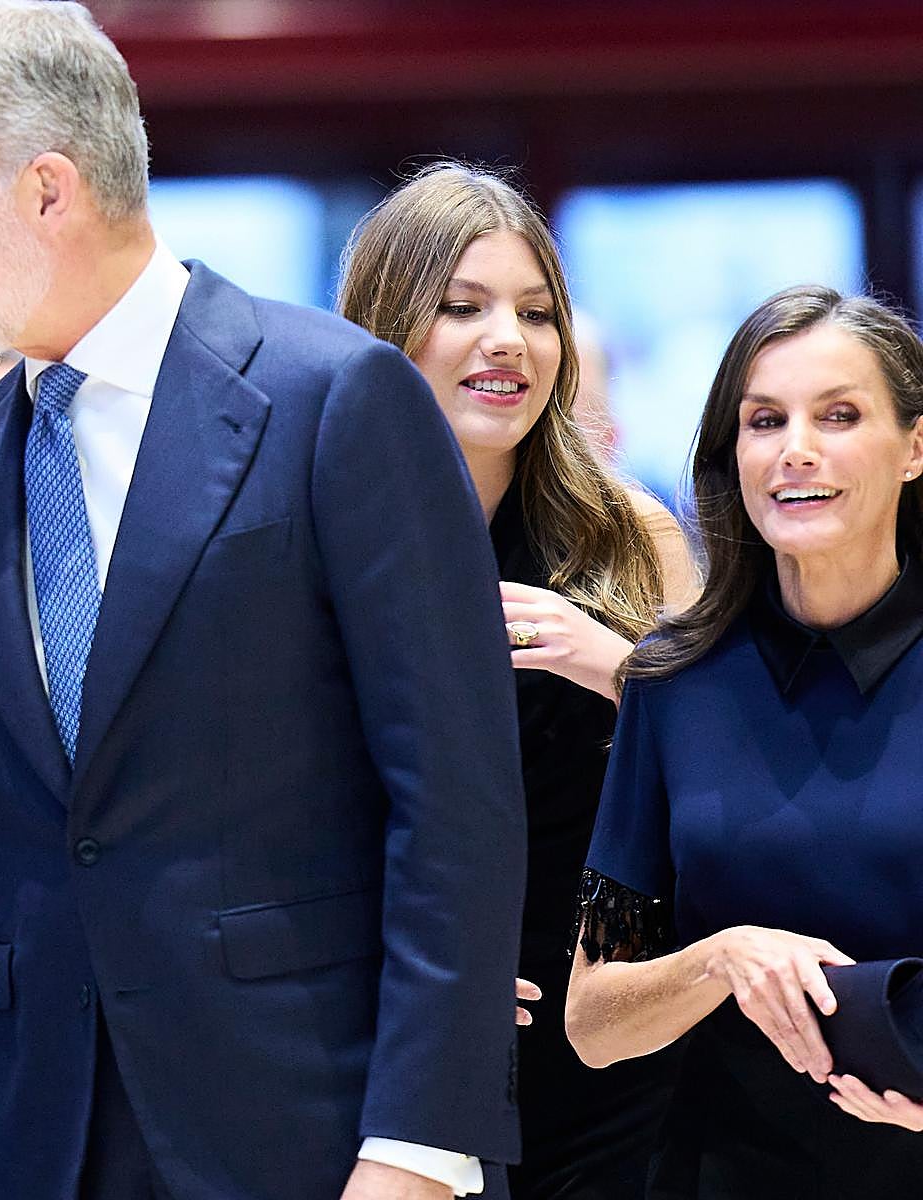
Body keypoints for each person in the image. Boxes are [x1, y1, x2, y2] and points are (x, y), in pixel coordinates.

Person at [0, 6, 527, 1200]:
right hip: (46, 1146)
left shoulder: (334, 401)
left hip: (321, 1144)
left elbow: (455, 802)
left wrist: (418, 1149)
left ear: (49, 190)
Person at [338, 163, 698, 1199]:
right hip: (400, 1034)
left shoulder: (631, 535)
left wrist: (618, 669)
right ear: (386, 325)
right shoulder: (320, 539)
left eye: (537, 313)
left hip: (612, 1034)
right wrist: (426, 982)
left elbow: (722, 784)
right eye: (462, 307)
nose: (509, 339)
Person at [566, 285, 923, 1197]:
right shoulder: (674, 685)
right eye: (765, 419)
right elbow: (594, 1020)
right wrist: (723, 958)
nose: (795, 446)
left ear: (914, 447)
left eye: (839, 415)